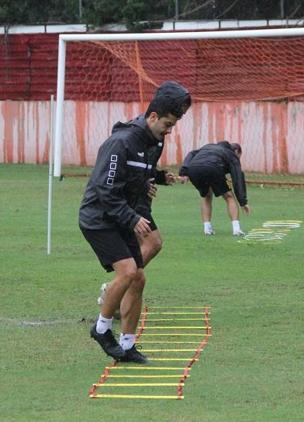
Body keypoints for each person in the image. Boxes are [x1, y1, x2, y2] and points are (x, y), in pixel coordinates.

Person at [80, 82, 191, 364]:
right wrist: (132, 216)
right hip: (99, 217)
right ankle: (101, 328)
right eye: (167, 124)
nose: (169, 131)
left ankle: (128, 346)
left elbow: (140, 171)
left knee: (138, 277)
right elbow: (106, 189)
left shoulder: (154, 140)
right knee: (129, 271)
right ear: (152, 116)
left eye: (173, 125)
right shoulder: (121, 142)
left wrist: (156, 178)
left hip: (124, 215)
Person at [95, 82, 191, 305]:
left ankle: (120, 290)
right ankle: (115, 291)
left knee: (151, 246)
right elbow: (122, 163)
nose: (182, 115)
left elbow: (143, 167)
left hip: (139, 196)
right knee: (152, 243)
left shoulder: (159, 135)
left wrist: (156, 177)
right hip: (126, 198)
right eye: (180, 109)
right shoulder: (134, 133)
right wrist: (142, 182)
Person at [178, 141, 251, 236]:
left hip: (194, 169)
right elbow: (237, 178)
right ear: (236, 151)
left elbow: (191, 153)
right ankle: (236, 229)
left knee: (206, 196)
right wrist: (243, 201)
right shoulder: (231, 154)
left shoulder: (207, 147)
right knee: (229, 197)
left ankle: (207, 229)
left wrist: (184, 172)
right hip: (214, 168)